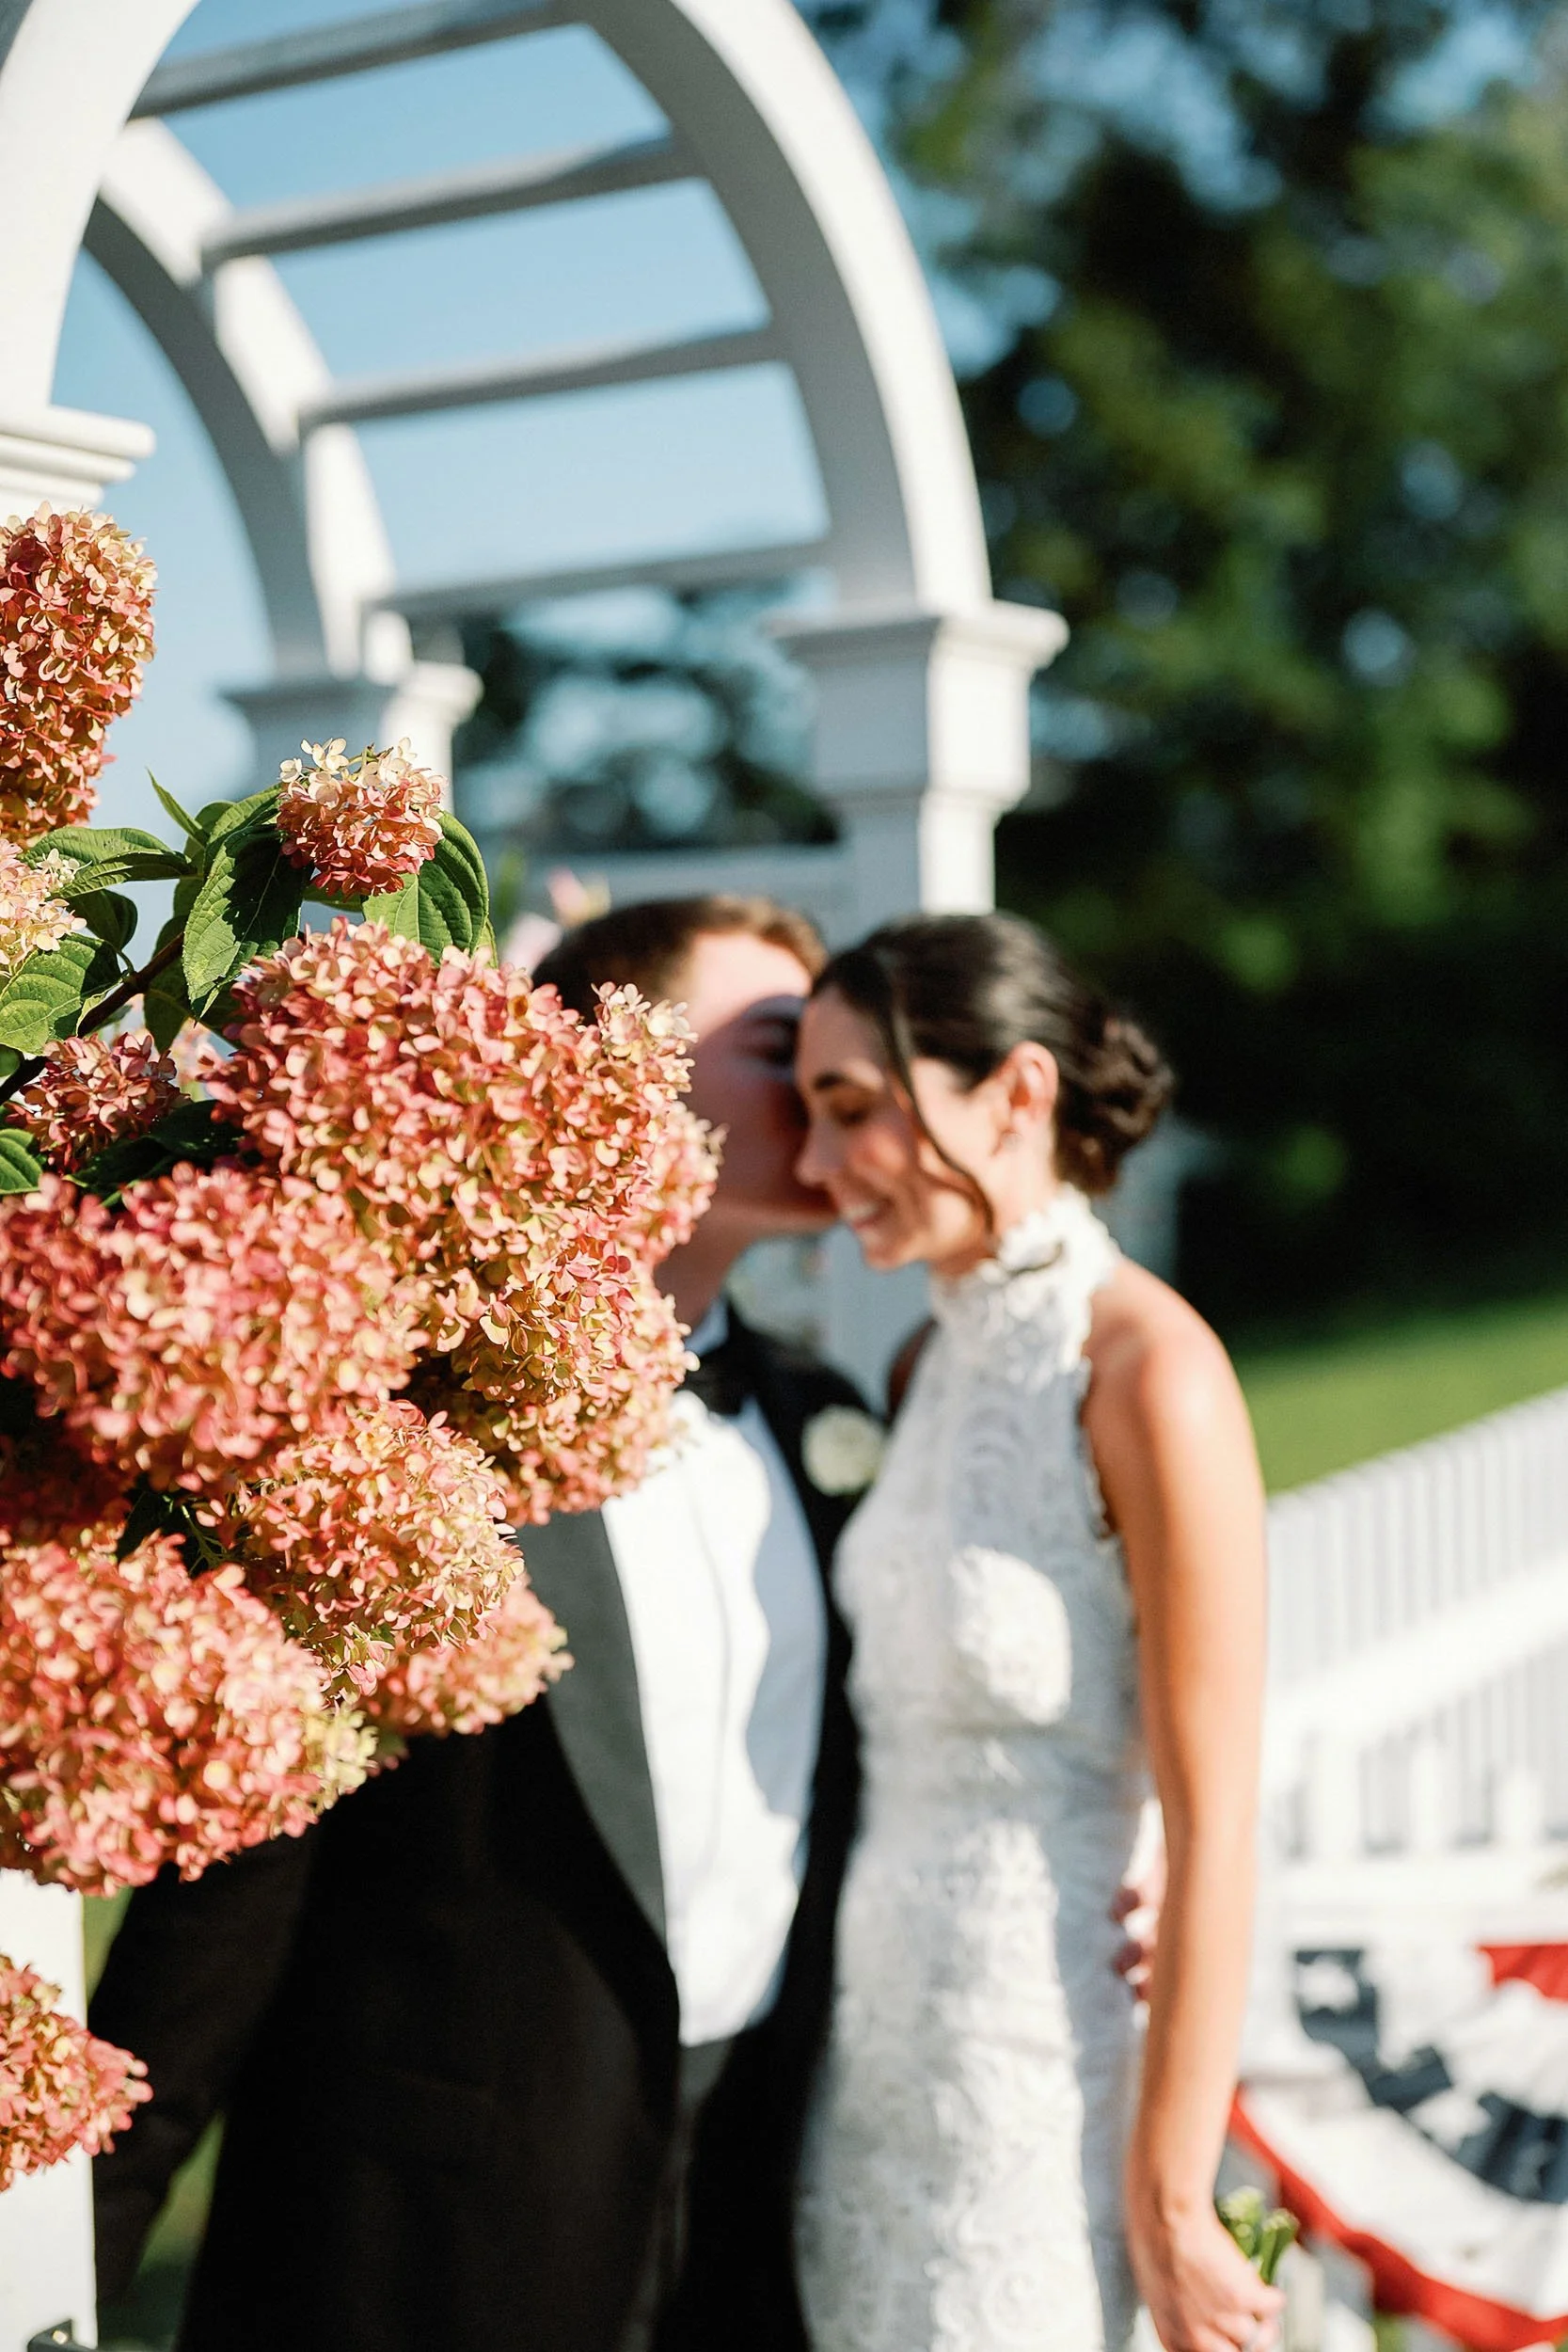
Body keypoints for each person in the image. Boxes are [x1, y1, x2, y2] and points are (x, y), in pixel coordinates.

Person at [91, 895, 865, 2352]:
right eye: (781, 1044)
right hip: (425, 2233)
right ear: (614, 1070)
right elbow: (241, 1882)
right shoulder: (397, 1444)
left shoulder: (827, 1429)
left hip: (747, 2213)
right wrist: (75, 2240)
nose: (838, 1085)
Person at [790, 912, 1278, 2352]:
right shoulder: (919, 1358)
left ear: (1014, 1095)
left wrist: (1172, 2203)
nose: (818, 1169)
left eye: (852, 1110)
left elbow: (1215, 1821)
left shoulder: (1149, 1370)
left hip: (1045, 2081)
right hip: (870, 2076)